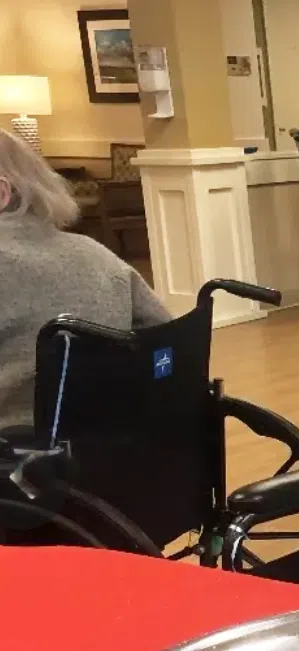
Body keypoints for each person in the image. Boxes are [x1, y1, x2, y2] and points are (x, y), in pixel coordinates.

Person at [0, 129, 169, 431]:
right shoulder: (97, 253)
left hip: (18, 449)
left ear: (2, 193)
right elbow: (165, 334)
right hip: (114, 442)